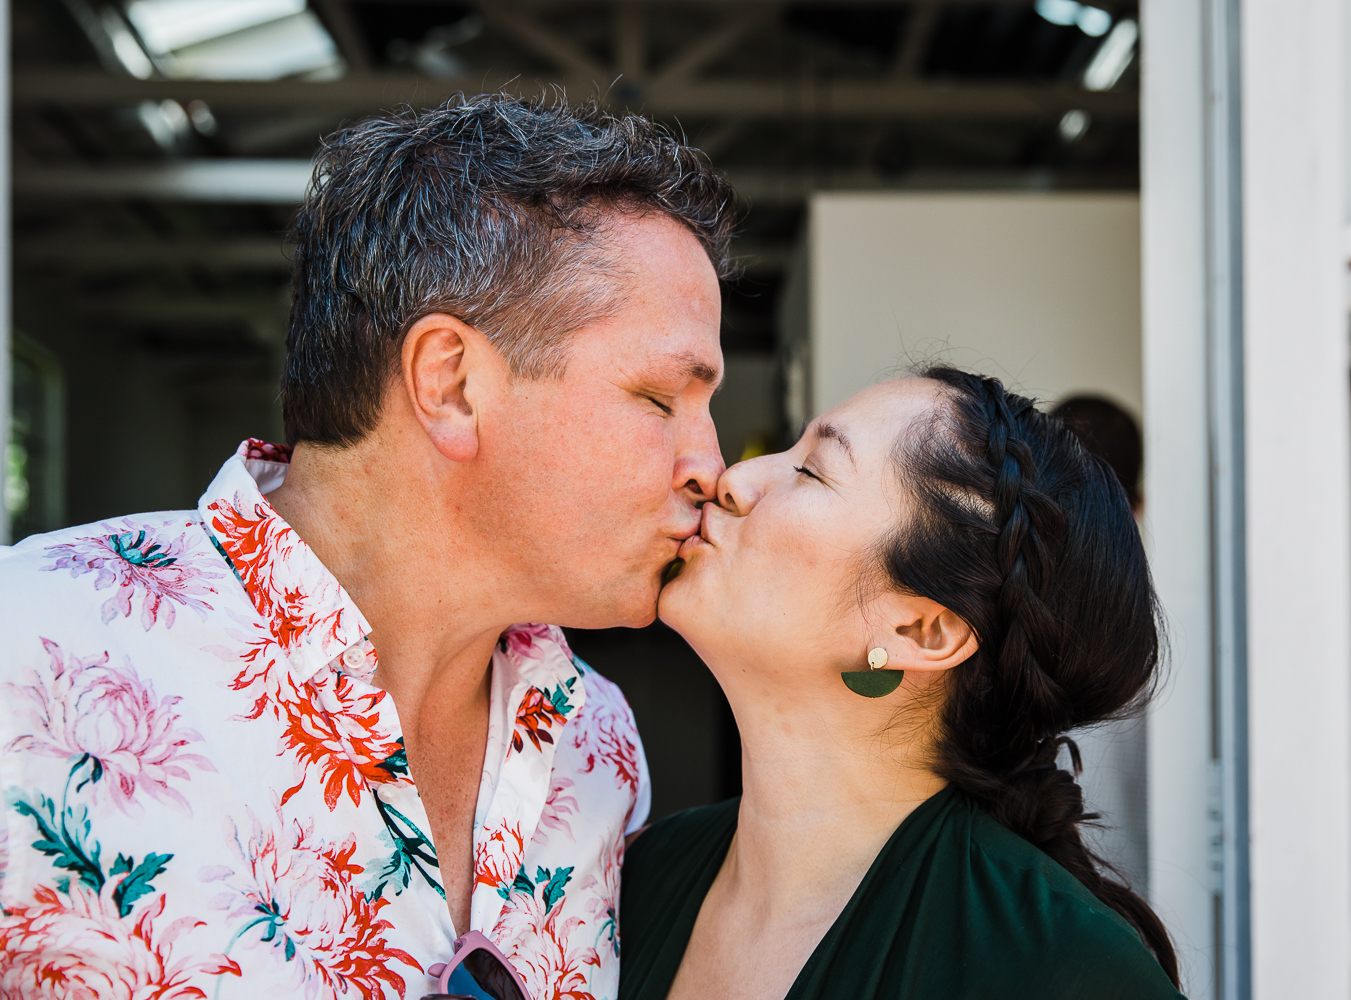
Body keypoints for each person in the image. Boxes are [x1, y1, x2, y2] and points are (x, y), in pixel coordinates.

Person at [0, 95, 735, 1000]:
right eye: (662, 400)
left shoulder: (598, 746)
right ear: (452, 384)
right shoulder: (29, 655)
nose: (714, 466)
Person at [622, 367, 1183, 1000]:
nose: (736, 478)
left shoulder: (1062, 969)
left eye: (811, 470)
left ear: (921, 629)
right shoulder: (634, 875)